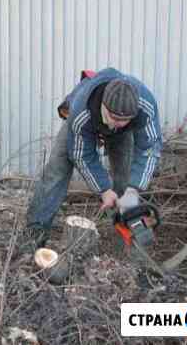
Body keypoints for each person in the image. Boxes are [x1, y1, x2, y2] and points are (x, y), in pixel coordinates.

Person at [18, 67, 163, 255]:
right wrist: (103, 188)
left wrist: (133, 189)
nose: (116, 123)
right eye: (114, 117)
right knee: (56, 170)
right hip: (84, 123)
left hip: (123, 132)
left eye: (124, 119)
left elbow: (150, 148)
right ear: (104, 105)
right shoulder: (81, 112)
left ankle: (128, 244)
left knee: (125, 179)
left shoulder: (145, 106)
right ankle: (34, 234)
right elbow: (81, 154)